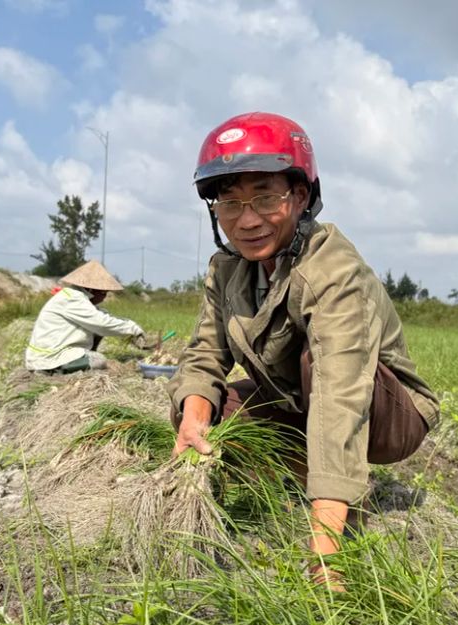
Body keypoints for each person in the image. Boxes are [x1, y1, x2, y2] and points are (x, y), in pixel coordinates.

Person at [167, 112, 439, 588]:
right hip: (296, 401)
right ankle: (304, 469)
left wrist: (325, 556)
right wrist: (192, 420)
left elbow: (340, 389)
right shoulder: (227, 270)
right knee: (205, 406)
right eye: (229, 204)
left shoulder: (332, 267)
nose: (247, 220)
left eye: (265, 198)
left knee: (319, 366)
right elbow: (205, 355)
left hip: (384, 412)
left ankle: (338, 499)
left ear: (301, 196)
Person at [25, 260, 148, 374]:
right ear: (90, 289)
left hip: (52, 352)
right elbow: (101, 324)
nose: (104, 297)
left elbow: (102, 316)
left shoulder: (76, 297)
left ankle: (78, 360)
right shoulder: (72, 299)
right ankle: (51, 371)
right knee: (99, 360)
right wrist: (133, 329)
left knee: (98, 331)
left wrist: (127, 328)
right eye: (103, 293)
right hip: (47, 358)